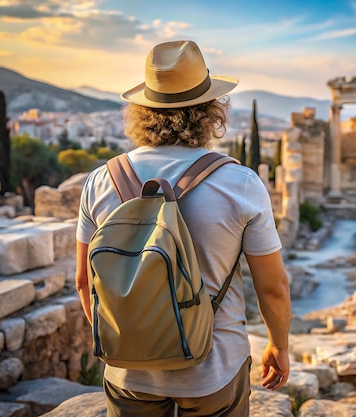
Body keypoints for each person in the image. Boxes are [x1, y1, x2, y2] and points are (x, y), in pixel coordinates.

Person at [75, 40, 291, 417]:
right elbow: (272, 286)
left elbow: (83, 282)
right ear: (211, 111)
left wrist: (130, 340)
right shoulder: (240, 183)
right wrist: (279, 345)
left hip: (128, 372)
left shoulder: (100, 180)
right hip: (214, 367)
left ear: (141, 110)